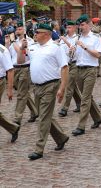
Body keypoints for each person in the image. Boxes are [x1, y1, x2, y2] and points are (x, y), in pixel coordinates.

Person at [18, 23, 69, 160]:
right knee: (43, 115)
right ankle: (61, 137)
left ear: (46, 34)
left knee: (43, 118)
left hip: (50, 86)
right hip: (36, 87)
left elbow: (64, 68)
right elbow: (20, 60)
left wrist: (62, 88)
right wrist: (21, 49)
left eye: (38, 32)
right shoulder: (33, 47)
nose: (35, 34)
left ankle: (39, 149)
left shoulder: (55, 48)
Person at [71, 14, 101, 136]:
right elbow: (75, 56)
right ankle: (98, 117)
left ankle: (81, 126)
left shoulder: (95, 38)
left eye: (83, 24)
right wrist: (72, 51)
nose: (81, 27)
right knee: (87, 97)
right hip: (79, 69)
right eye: (79, 25)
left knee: (84, 99)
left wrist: (84, 47)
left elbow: (98, 54)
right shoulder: (77, 38)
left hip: (91, 69)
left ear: (89, 24)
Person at [6, 21, 38, 125]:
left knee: (21, 95)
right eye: (16, 29)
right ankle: (35, 111)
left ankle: (17, 118)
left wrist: (24, 47)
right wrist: (7, 44)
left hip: (25, 68)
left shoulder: (29, 41)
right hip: (15, 69)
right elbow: (8, 56)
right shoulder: (13, 42)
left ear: (24, 30)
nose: (17, 31)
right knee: (24, 93)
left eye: (20, 29)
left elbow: (28, 55)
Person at [58, 20, 82, 116]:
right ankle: (80, 103)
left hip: (75, 64)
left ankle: (65, 108)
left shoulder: (77, 38)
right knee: (72, 86)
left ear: (74, 28)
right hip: (65, 65)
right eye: (67, 27)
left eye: (70, 27)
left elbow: (74, 51)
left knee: (68, 86)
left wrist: (65, 41)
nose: (68, 29)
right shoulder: (64, 38)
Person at [0, 44, 19, 142]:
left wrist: (10, 89)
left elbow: (10, 70)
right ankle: (13, 128)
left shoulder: (3, 50)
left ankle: (13, 128)